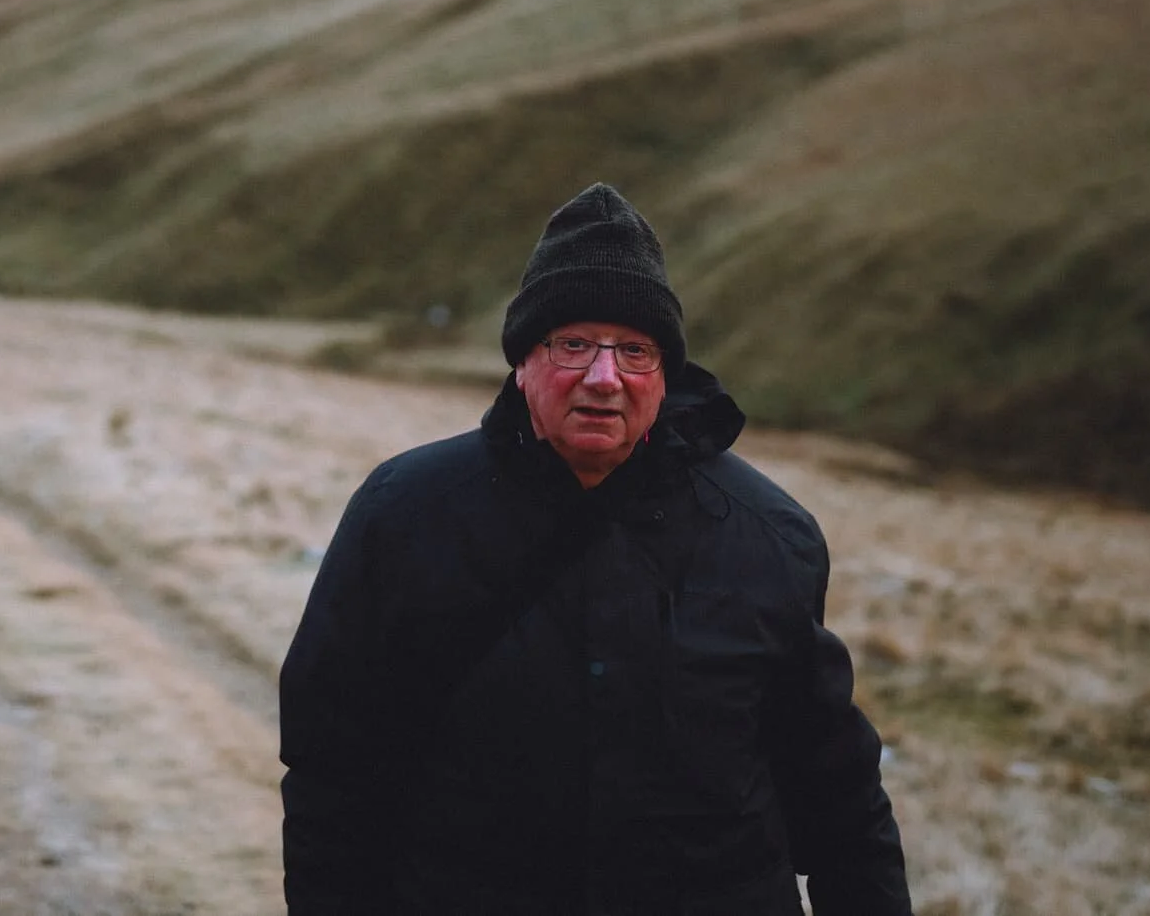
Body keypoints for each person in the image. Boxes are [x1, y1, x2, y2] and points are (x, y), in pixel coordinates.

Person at [279, 183, 912, 916]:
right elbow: (333, 773)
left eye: (634, 350)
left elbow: (841, 805)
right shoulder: (404, 515)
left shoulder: (768, 536)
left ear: (665, 372)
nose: (604, 377)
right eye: (573, 343)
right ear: (523, 360)